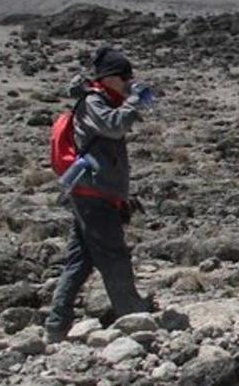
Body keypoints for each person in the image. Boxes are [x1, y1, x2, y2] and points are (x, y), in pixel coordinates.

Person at [45, 47, 152, 343]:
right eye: (125, 76)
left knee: (80, 261)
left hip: (94, 190)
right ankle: (132, 314)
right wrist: (133, 101)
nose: (130, 81)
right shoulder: (93, 101)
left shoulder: (104, 99)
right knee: (113, 254)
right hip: (93, 191)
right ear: (109, 78)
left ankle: (56, 326)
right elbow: (114, 127)